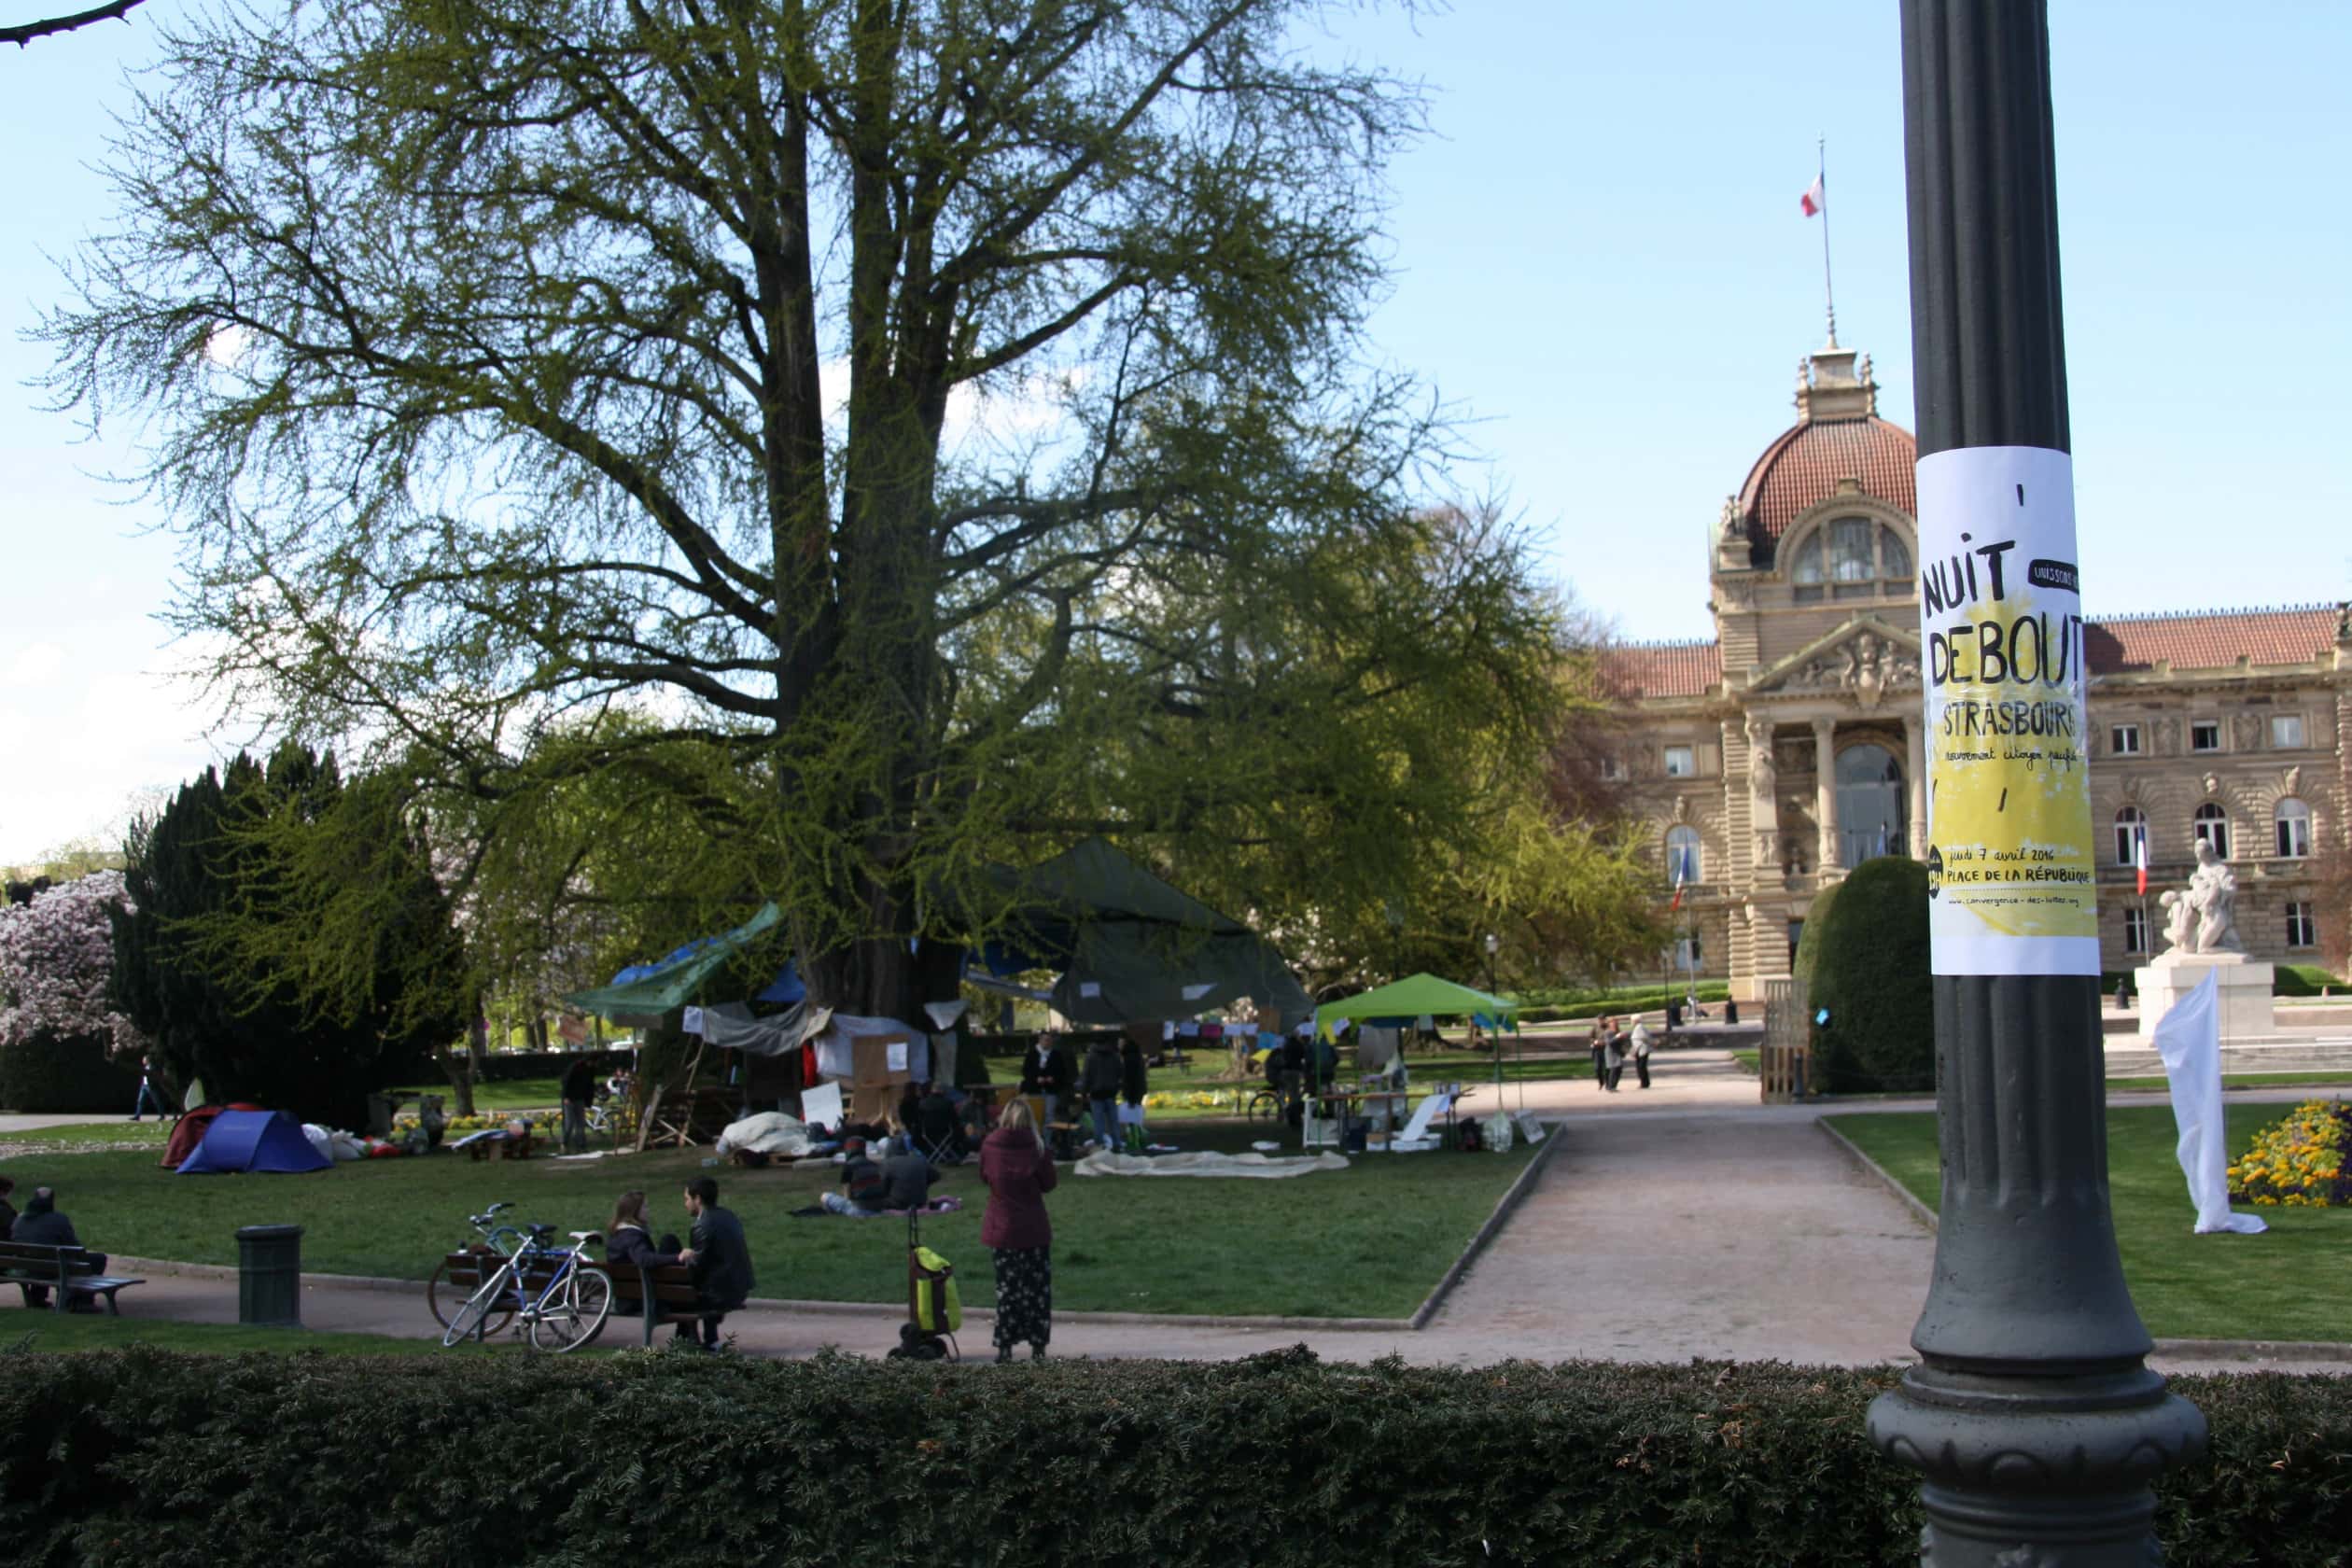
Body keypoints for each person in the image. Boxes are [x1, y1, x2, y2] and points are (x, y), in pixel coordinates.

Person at [979, 1099, 1058, 1364]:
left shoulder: (990, 1146)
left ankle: (1005, 1345)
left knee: (1007, 1290)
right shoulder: (1037, 1148)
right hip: (1034, 1227)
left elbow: (984, 1176)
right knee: (1037, 1290)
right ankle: (1037, 1345)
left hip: (1002, 1228)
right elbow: (1049, 1184)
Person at [674, 1176, 752, 1351]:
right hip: (740, 1287)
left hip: (719, 1293)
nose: (685, 1204)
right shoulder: (729, 1216)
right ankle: (710, 1339)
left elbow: (697, 1269)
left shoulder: (702, 1225)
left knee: (683, 1292)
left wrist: (687, 1258)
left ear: (698, 1199)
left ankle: (690, 1340)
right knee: (703, 1283)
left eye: (687, 1199)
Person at [11, 1186, 105, 1310]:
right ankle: (81, 1301)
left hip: (27, 1268)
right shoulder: (58, 1219)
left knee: (40, 1258)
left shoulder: (19, 1220)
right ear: (52, 1201)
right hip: (54, 1268)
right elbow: (75, 1247)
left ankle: (37, 1299)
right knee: (98, 1259)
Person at [603, 1189, 683, 1272]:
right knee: (669, 1241)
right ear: (634, 1211)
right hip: (648, 1282)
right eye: (645, 1207)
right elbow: (644, 1259)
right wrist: (678, 1257)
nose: (647, 1210)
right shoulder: (631, 1235)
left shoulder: (616, 1234)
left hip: (627, 1280)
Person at [1017, 1031, 1074, 1130]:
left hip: (1050, 1091)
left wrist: (1053, 1078)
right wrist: (1036, 1079)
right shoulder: (1032, 1054)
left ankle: (1047, 1141)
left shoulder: (1056, 1055)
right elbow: (1025, 1071)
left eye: (1049, 1040)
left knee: (1049, 1116)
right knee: (1035, 1116)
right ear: (1040, 1040)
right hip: (1035, 1090)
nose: (1047, 1043)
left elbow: (1062, 1072)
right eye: (1045, 1040)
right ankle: (1036, 1140)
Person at [824, 1137, 891, 1215]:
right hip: (878, 1209)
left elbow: (847, 1196)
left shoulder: (849, 1166)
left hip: (859, 1210)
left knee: (825, 1196)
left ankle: (833, 1216)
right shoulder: (875, 1165)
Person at [1081, 1036, 1123, 1152]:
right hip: (1110, 1092)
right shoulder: (1114, 1055)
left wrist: (1084, 1092)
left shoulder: (1091, 1057)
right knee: (1113, 1122)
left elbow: (1086, 1076)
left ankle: (1099, 1146)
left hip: (1096, 1093)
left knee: (1099, 1123)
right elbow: (1121, 1073)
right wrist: (1116, 1087)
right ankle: (1117, 1144)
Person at [559, 1055, 597, 1154]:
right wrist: (565, 1096)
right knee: (569, 1123)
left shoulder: (590, 1070)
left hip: (579, 1098)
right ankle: (564, 1144)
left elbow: (590, 1086)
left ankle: (581, 1145)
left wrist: (588, 1101)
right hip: (569, 1098)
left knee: (580, 1123)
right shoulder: (576, 1067)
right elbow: (566, 1081)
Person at [1118, 1036, 1149, 1153]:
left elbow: (1130, 1079)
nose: (1118, 1045)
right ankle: (1140, 1139)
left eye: (1120, 1043)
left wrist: (1129, 1096)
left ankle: (1135, 1141)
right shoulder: (1137, 1056)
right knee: (1136, 1116)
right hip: (1139, 1090)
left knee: (1132, 1119)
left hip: (1133, 1091)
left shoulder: (1128, 1059)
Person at [129, 1056, 169, 1123]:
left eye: (144, 1060)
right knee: (140, 1101)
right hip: (144, 1086)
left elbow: (154, 1076)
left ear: (148, 1060)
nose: (143, 1061)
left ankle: (162, 1115)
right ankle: (137, 1116)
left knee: (156, 1101)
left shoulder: (152, 1067)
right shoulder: (144, 1067)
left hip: (150, 1086)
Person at [1589, 1016, 1613, 1089]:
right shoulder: (1595, 1027)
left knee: (1607, 1067)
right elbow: (1591, 1037)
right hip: (1597, 1049)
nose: (1601, 1021)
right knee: (1597, 1067)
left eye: (1602, 1020)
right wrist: (1594, 1041)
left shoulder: (1609, 1027)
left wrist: (1606, 1042)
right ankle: (1601, 1081)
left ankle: (1608, 1083)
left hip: (1606, 1048)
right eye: (1600, 1020)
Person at [1630, 1019, 1655, 1089]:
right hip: (1639, 1049)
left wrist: (1652, 1042)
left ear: (1635, 1021)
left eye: (1631, 1020)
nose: (1631, 1022)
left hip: (1642, 1049)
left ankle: (1644, 1083)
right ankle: (1644, 1082)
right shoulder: (1638, 1027)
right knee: (1641, 1067)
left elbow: (1644, 1037)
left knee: (1641, 1067)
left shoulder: (1639, 1027)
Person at [1603, 1026, 1626, 1093]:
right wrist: (1617, 1037)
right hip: (1611, 1052)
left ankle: (1614, 1086)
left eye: (1616, 1024)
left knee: (1619, 1069)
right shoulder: (1608, 1032)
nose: (1615, 1026)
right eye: (1613, 1024)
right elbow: (1609, 1042)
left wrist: (1622, 1037)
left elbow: (1622, 1042)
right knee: (1613, 1069)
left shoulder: (1618, 1031)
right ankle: (1610, 1086)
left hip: (1618, 1052)